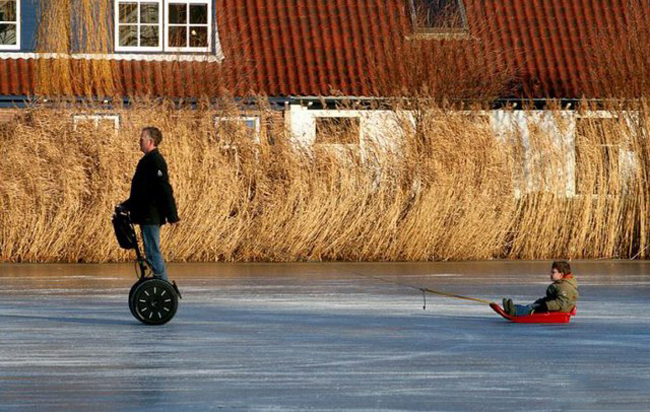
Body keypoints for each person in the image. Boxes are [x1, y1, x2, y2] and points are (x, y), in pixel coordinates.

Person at [122, 127, 179, 281]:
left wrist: (172, 215)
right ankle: (159, 282)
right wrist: (125, 206)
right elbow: (142, 192)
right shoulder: (147, 160)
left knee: (153, 251)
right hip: (145, 213)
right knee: (150, 251)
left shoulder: (156, 160)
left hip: (151, 214)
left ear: (150, 141)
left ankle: (163, 284)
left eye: (141, 140)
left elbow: (164, 188)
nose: (139, 142)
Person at [503, 261, 579, 316]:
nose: (551, 274)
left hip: (559, 311)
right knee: (531, 306)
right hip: (553, 306)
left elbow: (561, 303)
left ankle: (514, 312)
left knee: (533, 308)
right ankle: (512, 308)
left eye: (553, 272)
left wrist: (546, 305)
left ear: (561, 274)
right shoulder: (561, 284)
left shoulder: (565, 286)